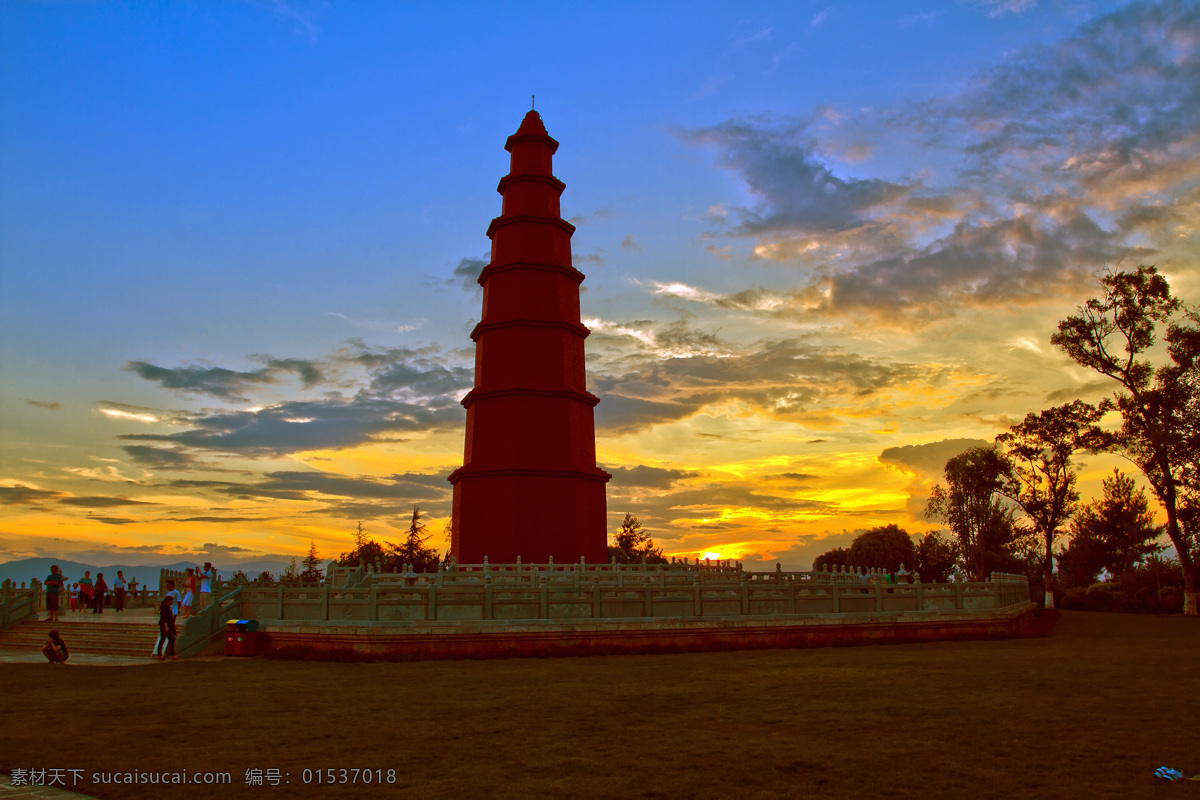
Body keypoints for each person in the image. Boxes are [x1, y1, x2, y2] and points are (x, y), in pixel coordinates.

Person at [154, 590, 177, 661]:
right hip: (165, 626)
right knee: (165, 639)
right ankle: (164, 654)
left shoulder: (167, 607)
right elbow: (164, 619)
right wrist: (166, 627)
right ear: (168, 601)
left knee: (169, 639)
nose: (172, 602)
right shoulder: (165, 608)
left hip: (169, 626)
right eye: (171, 601)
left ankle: (168, 654)